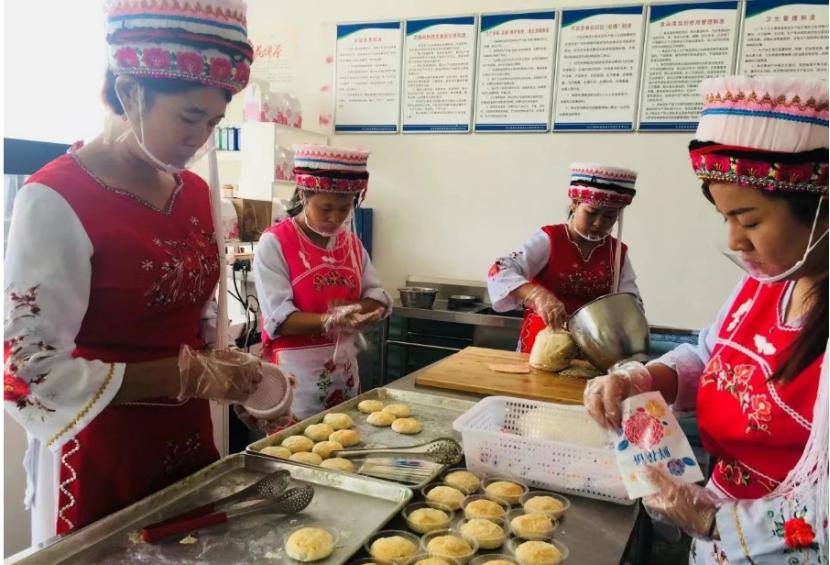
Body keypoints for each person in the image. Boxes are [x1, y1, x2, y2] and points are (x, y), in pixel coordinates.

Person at [3, 0, 292, 543]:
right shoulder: (56, 198)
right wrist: (185, 374)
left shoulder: (196, 193)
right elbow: (26, 375)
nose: (200, 137)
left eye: (214, 122)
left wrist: (234, 371)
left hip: (185, 432)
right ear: (130, 91)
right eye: (188, 117)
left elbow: (198, 311)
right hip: (99, 445)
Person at [584, 76, 828, 564]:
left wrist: (716, 522)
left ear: (821, 210)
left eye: (750, 220)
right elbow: (711, 355)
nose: (735, 240)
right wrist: (644, 378)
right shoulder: (767, 281)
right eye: (725, 219)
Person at [254, 144, 391, 420]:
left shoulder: (351, 244)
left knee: (345, 436)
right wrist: (330, 320)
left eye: (344, 209)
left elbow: (378, 297)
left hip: (345, 377)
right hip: (296, 381)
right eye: (325, 208)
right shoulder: (276, 242)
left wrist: (355, 311)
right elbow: (280, 319)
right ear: (303, 195)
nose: (335, 218)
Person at [487, 163, 642, 352]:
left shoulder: (618, 253)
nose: (598, 223)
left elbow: (630, 304)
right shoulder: (550, 239)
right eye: (591, 213)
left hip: (592, 348)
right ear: (575, 203)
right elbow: (500, 270)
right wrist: (538, 295)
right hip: (542, 343)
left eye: (609, 216)